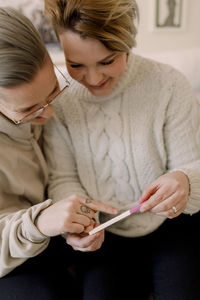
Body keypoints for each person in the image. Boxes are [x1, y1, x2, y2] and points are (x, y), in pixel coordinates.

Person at [43, 0, 200, 299]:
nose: (93, 79)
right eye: (76, 65)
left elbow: (193, 163)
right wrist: (78, 224)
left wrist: (184, 180)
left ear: (128, 42)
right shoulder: (59, 98)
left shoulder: (169, 85)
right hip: (103, 232)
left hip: (172, 227)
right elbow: (62, 178)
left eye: (107, 61)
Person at [0, 7, 118, 300]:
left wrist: (73, 224)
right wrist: (40, 222)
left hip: (57, 239)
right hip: (12, 257)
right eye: (28, 110)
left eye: (53, 90)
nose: (49, 113)